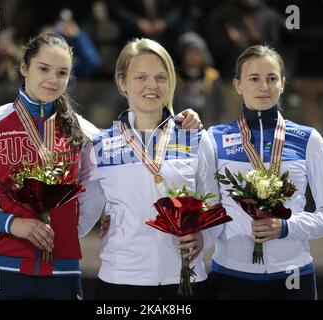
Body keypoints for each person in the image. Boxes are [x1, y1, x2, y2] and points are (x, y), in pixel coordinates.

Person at [0, 33, 201, 300]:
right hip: (0, 267)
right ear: (24, 67)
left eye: (62, 72)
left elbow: (101, 184)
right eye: (44, 69)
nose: (52, 79)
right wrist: (8, 223)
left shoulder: (86, 132)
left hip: (62, 271)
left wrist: (69, 231)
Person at [80, 38, 220, 300]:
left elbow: (212, 205)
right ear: (123, 82)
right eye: (140, 77)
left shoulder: (195, 137)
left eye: (160, 77)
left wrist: (204, 239)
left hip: (185, 278)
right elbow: (84, 214)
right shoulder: (100, 145)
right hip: (121, 280)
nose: (151, 86)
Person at [205, 45, 323, 299]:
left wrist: (286, 227)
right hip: (229, 275)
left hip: (293, 277)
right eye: (254, 79)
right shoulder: (213, 138)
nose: (263, 86)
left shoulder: (308, 139)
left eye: (271, 79)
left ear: (282, 83)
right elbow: (207, 211)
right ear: (237, 85)